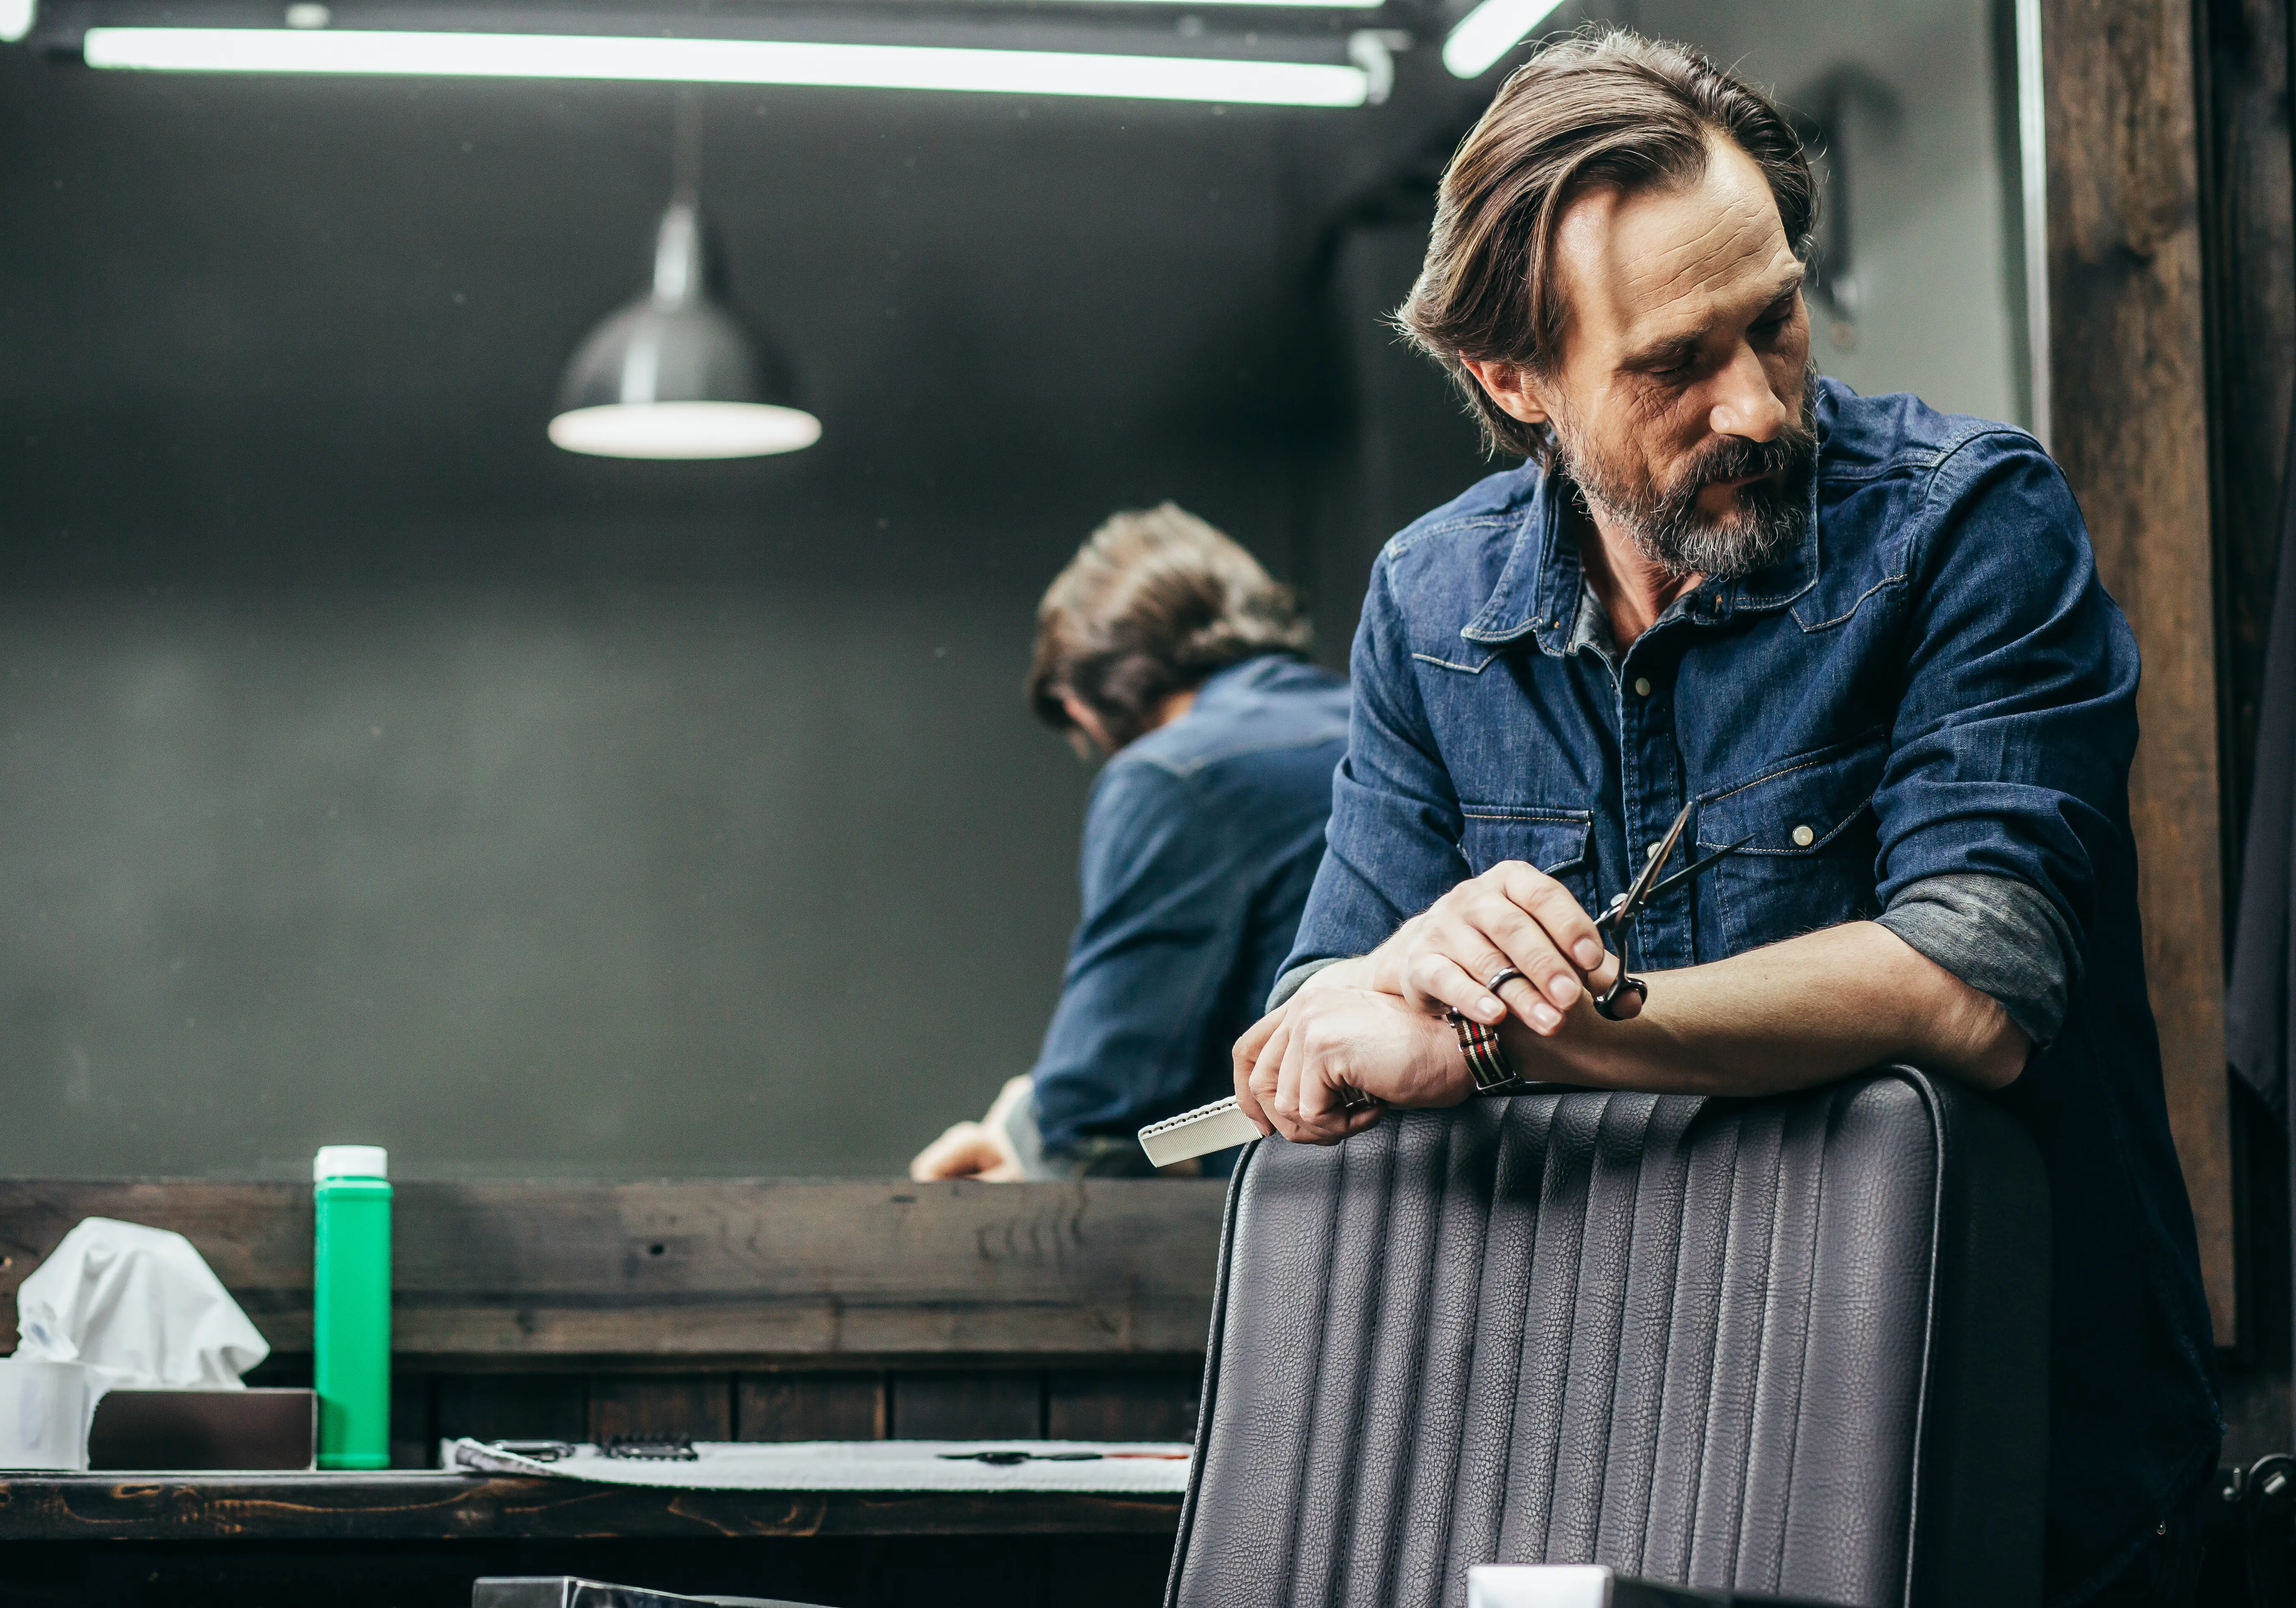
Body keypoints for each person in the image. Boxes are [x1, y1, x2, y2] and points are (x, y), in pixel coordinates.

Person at [1232, 29, 2221, 1608]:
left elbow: (1972, 986)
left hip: (2010, 1501)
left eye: (1775, 321)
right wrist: (1394, 971)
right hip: (1623, 1472)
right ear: (1513, 378)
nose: (1757, 403)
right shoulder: (1428, 607)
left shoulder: (1970, 529)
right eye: (1677, 363)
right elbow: (1317, 1028)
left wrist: (1505, 1033)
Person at [911, 503, 1348, 1180]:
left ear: (1083, 704)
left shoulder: (1172, 777)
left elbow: (1095, 1103)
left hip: (1302, 1225)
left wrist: (1024, 1129)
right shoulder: (1383, 728)